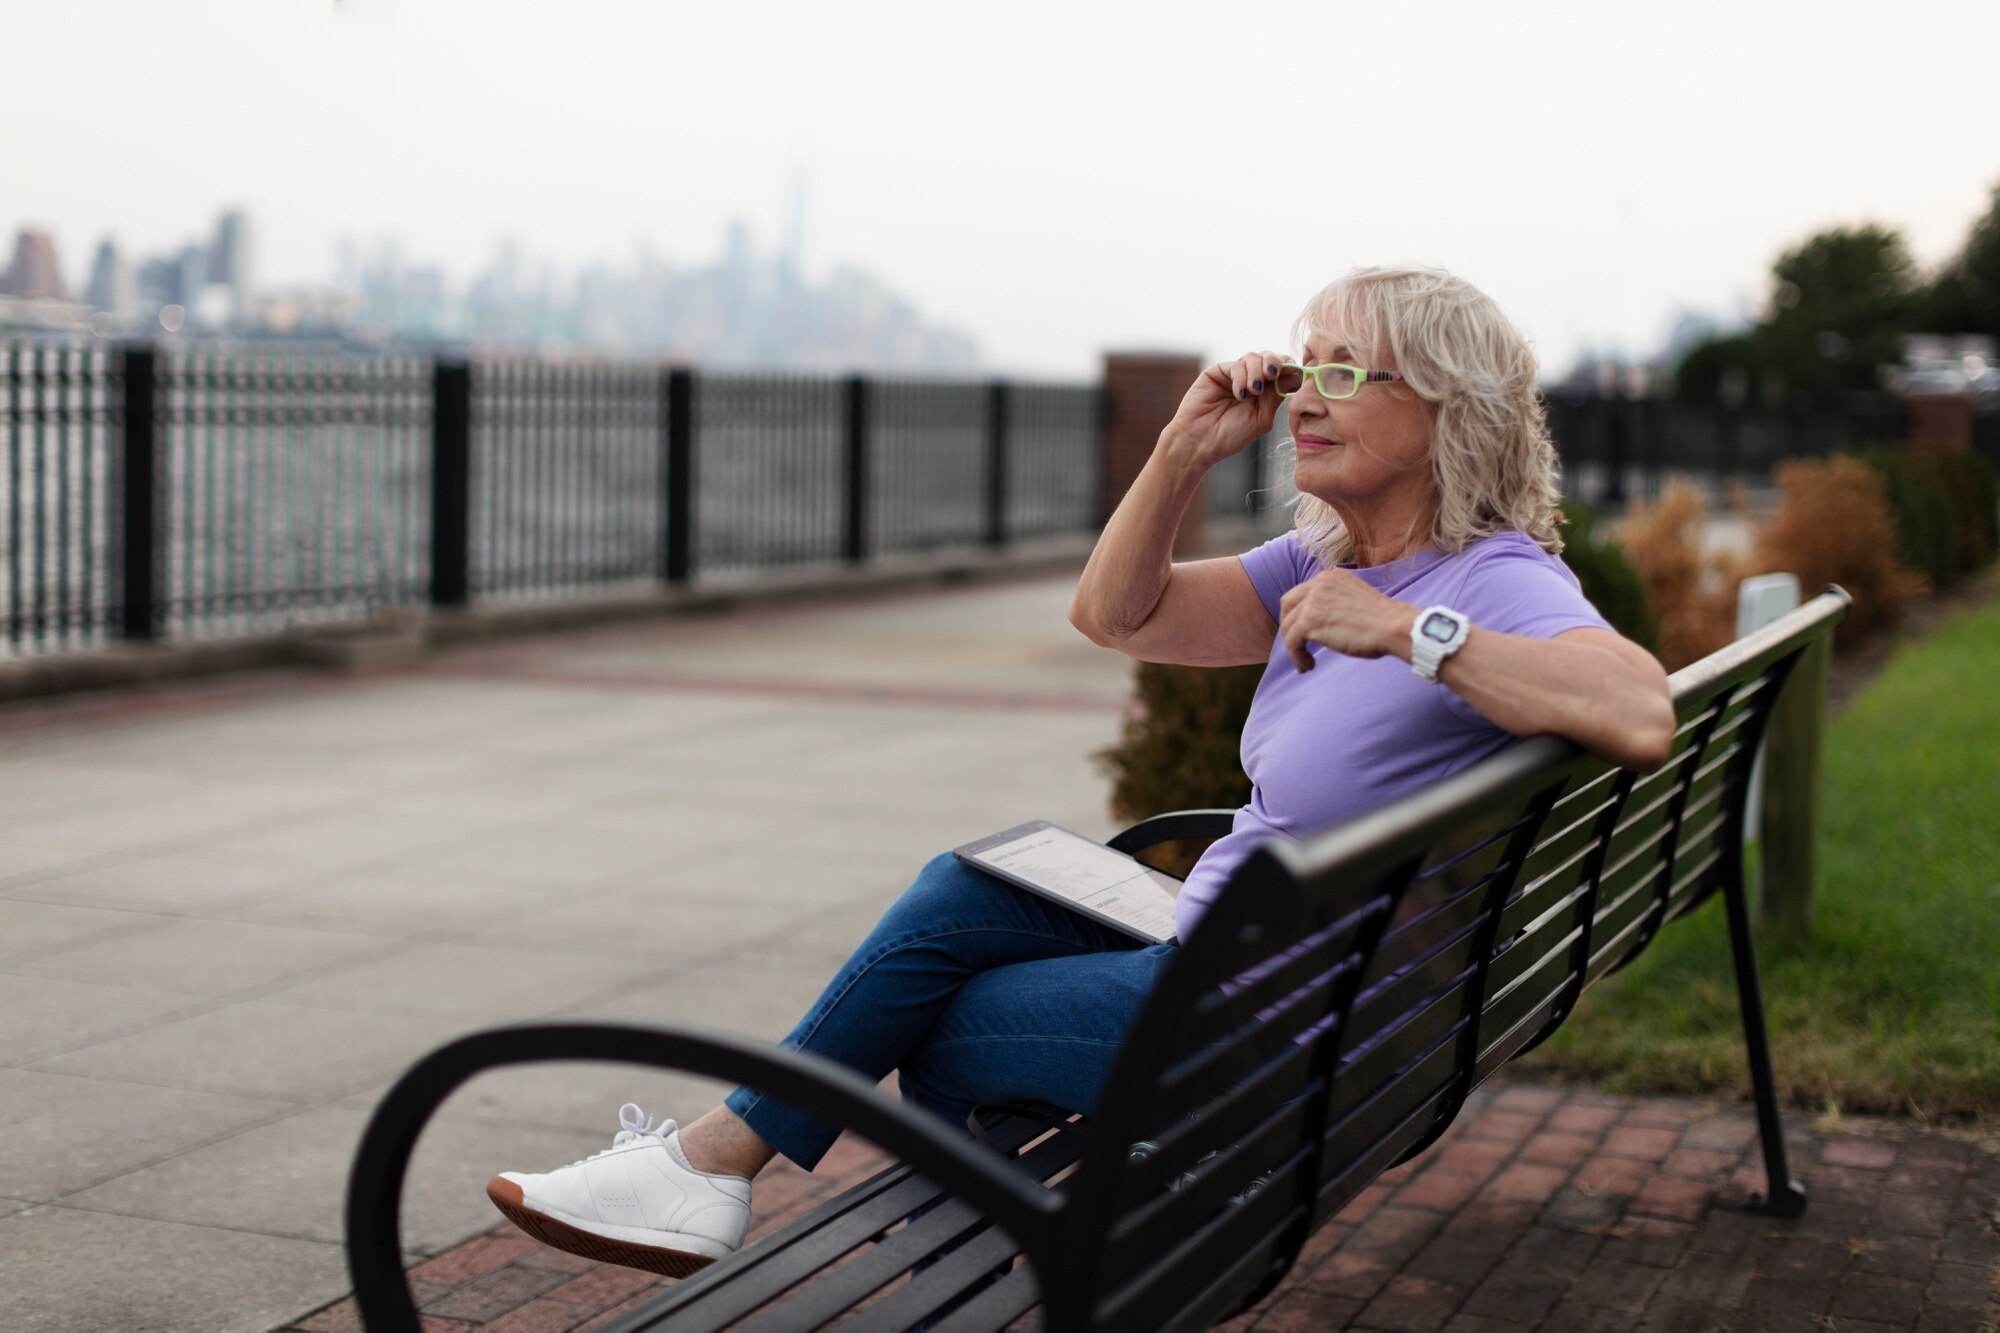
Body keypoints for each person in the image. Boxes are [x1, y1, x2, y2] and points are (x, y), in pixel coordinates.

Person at [484, 265, 1676, 1276]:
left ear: (1446, 408)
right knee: (963, 889)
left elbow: (1636, 708)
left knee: (939, 1027)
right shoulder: (1327, 562)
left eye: (1343, 372)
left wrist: (1411, 635)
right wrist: (1177, 450)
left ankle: (998, 1260)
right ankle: (718, 1168)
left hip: (1276, 1014)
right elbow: (1117, 613)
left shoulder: (1481, 577)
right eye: (1303, 367)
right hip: (1265, 959)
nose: (1305, 397)